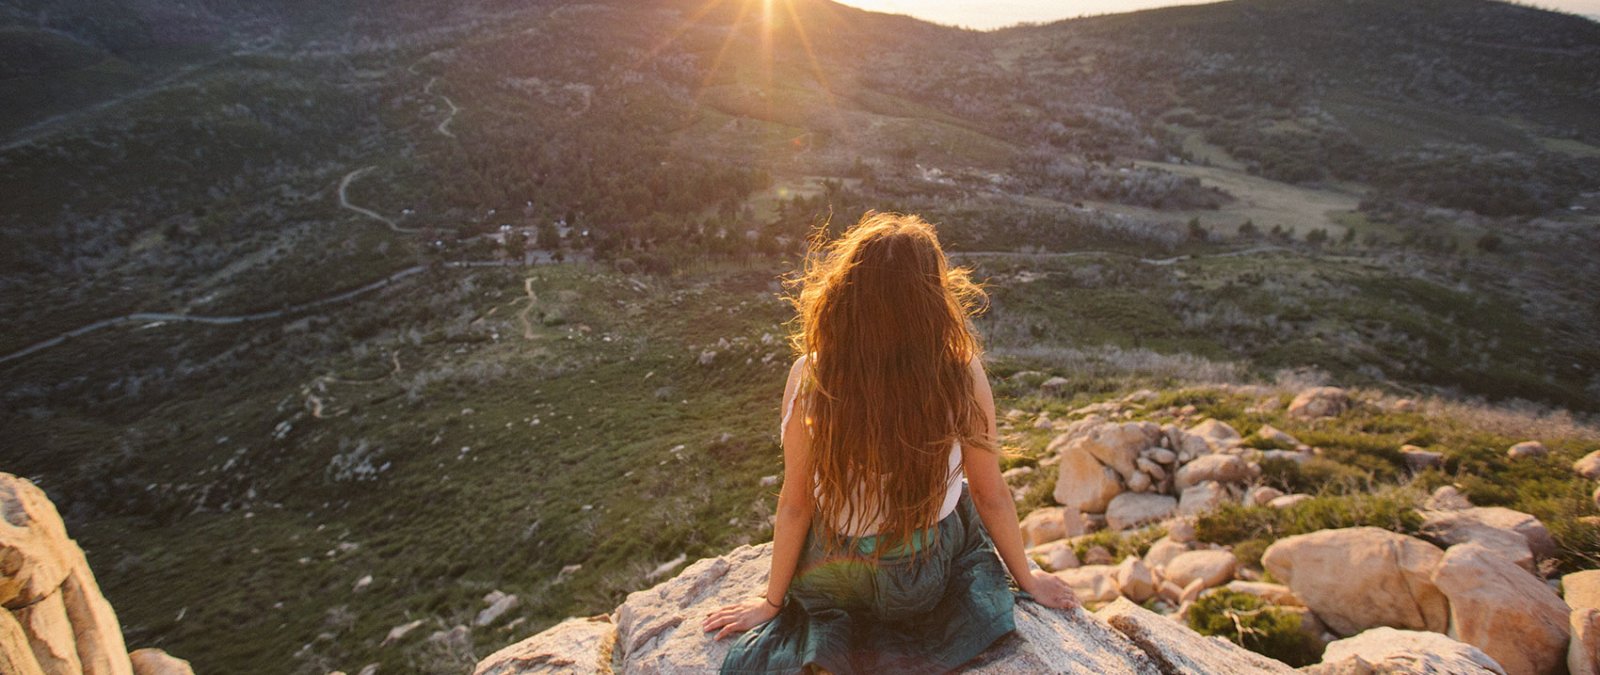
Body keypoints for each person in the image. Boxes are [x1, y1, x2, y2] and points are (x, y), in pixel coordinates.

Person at [700, 212, 1079, 674]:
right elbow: (989, 492)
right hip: (917, 585)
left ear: (846, 294)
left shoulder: (811, 374)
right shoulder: (958, 372)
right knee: (964, 503)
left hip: (833, 581)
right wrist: (1029, 579)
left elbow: (796, 502)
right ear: (930, 300)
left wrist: (771, 602)